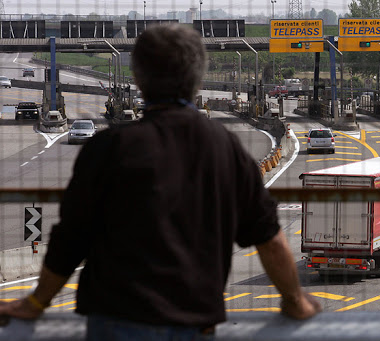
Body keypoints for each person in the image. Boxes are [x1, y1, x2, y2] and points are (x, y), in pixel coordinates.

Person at [0, 24, 321, 339]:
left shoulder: (108, 148)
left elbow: (70, 240)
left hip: (114, 320)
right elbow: (269, 239)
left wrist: (36, 303)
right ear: (197, 81)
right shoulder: (226, 149)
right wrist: (295, 301)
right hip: (192, 322)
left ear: (138, 79)